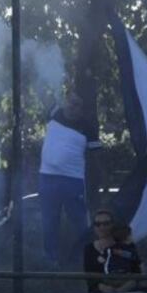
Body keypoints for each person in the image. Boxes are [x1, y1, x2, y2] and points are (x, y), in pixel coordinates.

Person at [39, 92, 102, 266]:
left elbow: (96, 156)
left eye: (78, 105)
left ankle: (85, 257)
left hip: (72, 180)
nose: (74, 108)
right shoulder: (54, 113)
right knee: (49, 220)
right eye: (71, 103)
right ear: (66, 103)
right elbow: (44, 94)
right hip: (47, 178)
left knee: (80, 221)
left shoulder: (88, 127)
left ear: (82, 109)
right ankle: (50, 258)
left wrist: (98, 181)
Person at [82, 208, 116, 293]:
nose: (102, 227)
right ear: (94, 227)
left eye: (106, 223)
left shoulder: (124, 246)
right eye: (98, 224)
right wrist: (103, 287)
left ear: (113, 225)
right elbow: (89, 277)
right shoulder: (88, 249)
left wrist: (119, 290)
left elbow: (134, 274)